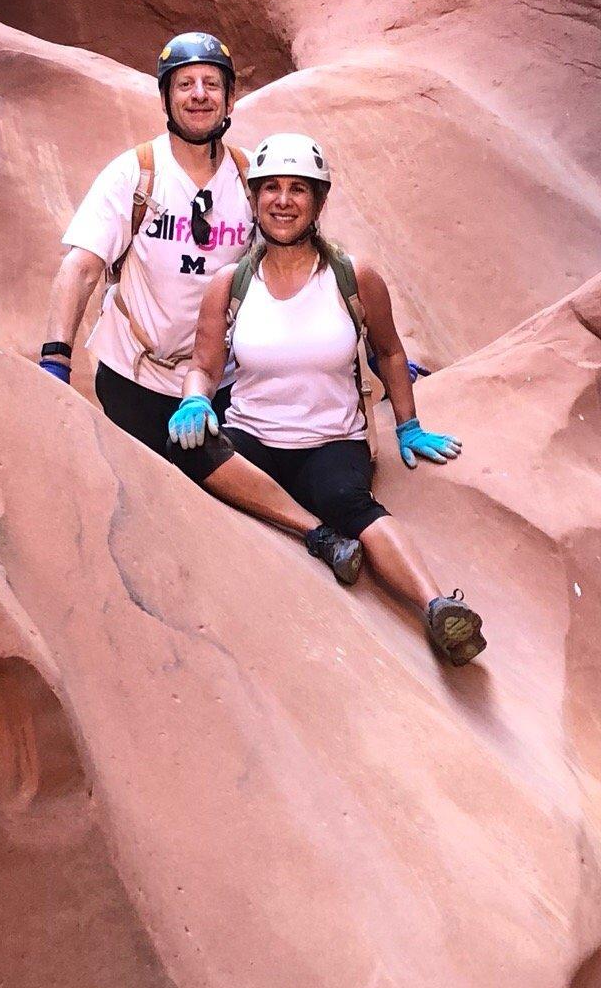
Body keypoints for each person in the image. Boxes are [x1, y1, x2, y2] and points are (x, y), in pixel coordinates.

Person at [39, 34, 369, 584]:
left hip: (220, 384)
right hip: (135, 377)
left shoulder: (248, 178)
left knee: (229, 522)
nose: (199, 95)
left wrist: (376, 352)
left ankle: (313, 543)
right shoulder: (134, 173)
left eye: (211, 84)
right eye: (185, 84)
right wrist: (55, 357)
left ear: (230, 99)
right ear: (166, 97)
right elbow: (82, 266)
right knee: (156, 521)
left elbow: (305, 261)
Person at [169, 133, 487, 668]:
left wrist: (408, 426)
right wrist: (195, 400)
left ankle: (437, 609)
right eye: (270, 188)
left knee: (353, 506)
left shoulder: (351, 276)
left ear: (319, 200)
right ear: (254, 199)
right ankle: (317, 535)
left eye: (298, 189)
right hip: (252, 437)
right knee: (188, 447)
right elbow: (203, 365)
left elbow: (388, 352)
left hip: (332, 441)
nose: (283, 200)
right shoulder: (230, 282)